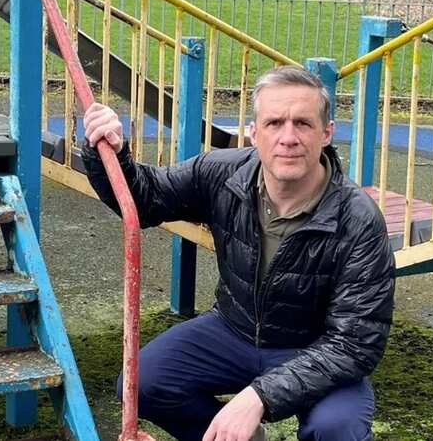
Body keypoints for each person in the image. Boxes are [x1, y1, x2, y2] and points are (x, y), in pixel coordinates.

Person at [81, 66, 396, 441]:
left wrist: (257, 397)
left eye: (303, 123)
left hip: (314, 346)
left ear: (327, 133)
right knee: (142, 382)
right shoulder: (223, 175)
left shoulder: (358, 219)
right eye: (275, 123)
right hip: (233, 328)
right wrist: (108, 153)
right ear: (253, 133)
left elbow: (355, 343)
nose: (288, 137)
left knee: (338, 428)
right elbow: (145, 199)